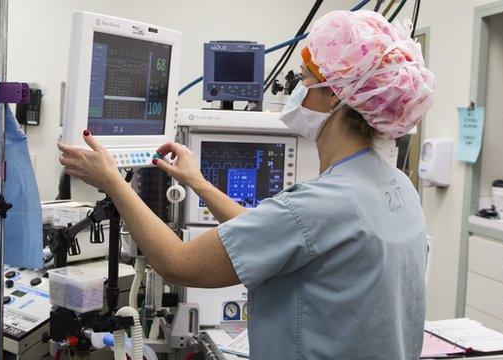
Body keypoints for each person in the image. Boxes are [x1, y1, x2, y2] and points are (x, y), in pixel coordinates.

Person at [58, 10, 435, 360]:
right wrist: (199, 183)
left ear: (335, 93)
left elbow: (178, 263)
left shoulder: (322, 205)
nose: (297, 90)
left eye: (304, 79)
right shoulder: (397, 187)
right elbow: (274, 233)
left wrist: (111, 180)